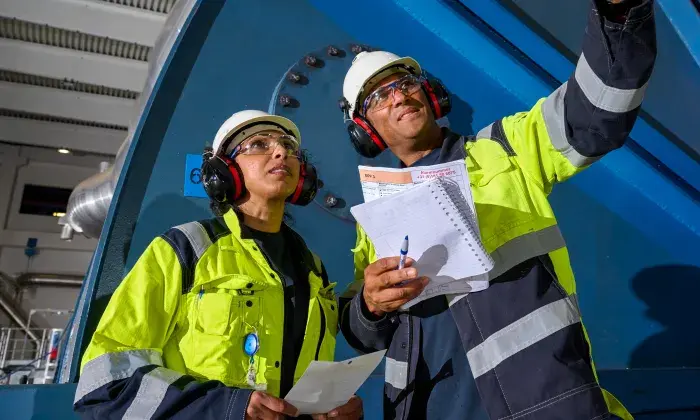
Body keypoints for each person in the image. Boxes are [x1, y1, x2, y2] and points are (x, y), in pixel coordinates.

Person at [338, 0, 655, 419]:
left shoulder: (505, 149)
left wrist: (619, 14)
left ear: (430, 93)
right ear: (365, 130)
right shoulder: (375, 220)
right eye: (379, 96)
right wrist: (371, 305)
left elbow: (596, 114)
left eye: (405, 82)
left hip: (544, 402)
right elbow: (359, 331)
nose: (398, 95)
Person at [74, 110, 363, 420]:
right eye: (258, 144)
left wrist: (333, 410)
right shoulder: (184, 249)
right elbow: (106, 382)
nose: (281, 151)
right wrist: (224, 407)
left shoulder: (313, 268)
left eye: (289, 147)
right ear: (225, 171)